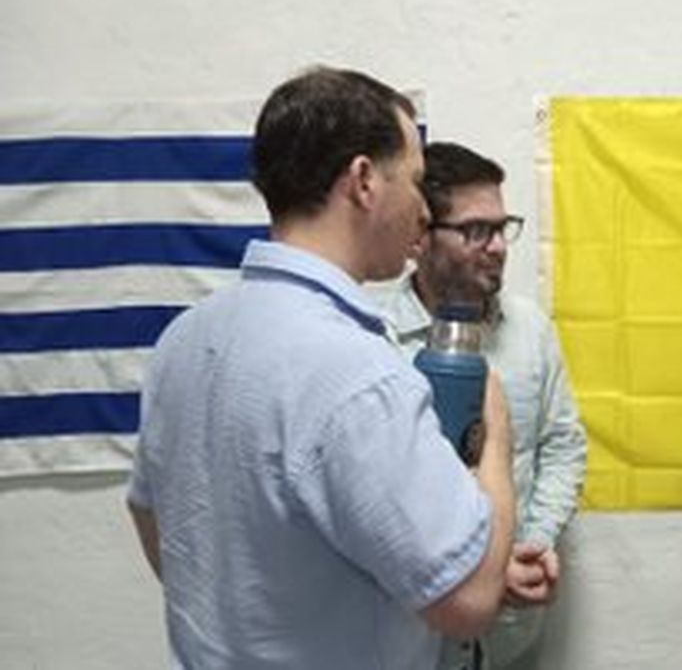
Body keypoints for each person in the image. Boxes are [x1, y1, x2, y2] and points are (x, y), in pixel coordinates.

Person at [125, 67, 515, 669]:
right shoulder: (361, 375)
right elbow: (468, 599)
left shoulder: (183, 338)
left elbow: (151, 517)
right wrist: (497, 442)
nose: (422, 210)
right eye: (415, 182)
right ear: (363, 181)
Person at [379, 141, 587, 670]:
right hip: (410, 635)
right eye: (476, 230)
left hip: (510, 637)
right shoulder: (373, 339)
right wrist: (473, 575)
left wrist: (530, 545)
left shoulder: (531, 330)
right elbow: (374, 494)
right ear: (420, 235)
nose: (497, 247)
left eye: (502, 227)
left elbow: (561, 446)